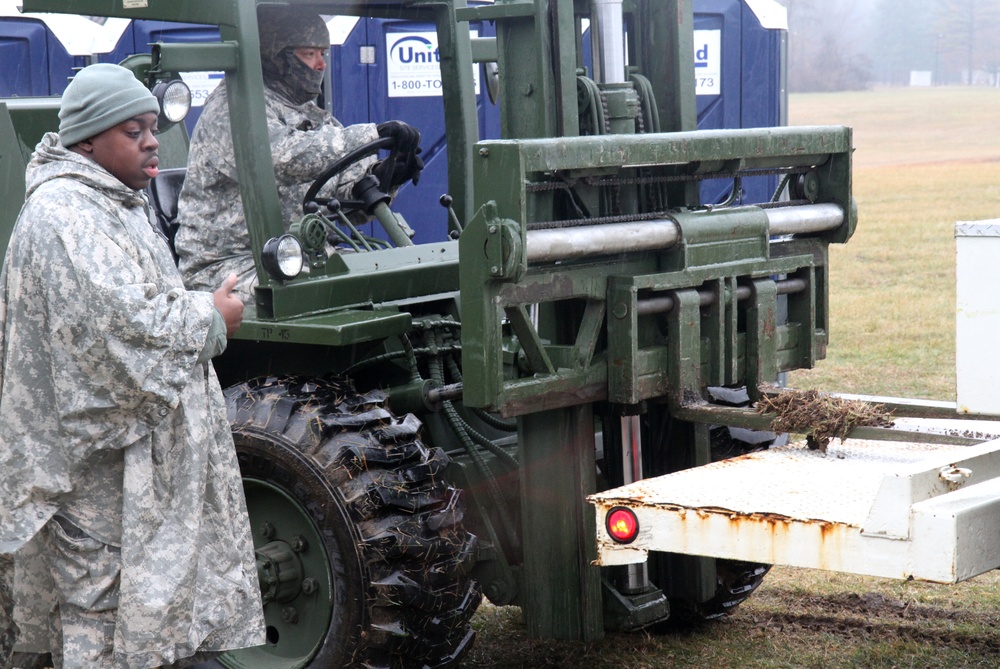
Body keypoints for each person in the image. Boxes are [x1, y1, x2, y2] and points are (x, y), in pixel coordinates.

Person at [0, 63, 265, 669]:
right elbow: (121, 329)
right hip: (94, 479)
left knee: (134, 614)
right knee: (101, 614)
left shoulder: (113, 202)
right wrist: (210, 317)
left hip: (124, 472)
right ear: (87, 141)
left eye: (153, 127)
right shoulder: (68, 216)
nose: (152, 141)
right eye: (133, 130)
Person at [175, 5, 423, 301]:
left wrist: (385, 178)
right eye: (310, 54)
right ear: (276, 58)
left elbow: (340, 207)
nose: (321, 65)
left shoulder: (313, 116)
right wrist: (371, 134)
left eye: (323, 54)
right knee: (333, 296)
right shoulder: (232, 108)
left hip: (299, 258)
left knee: (395, 284)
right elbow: (283, 158)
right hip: (231, 267)